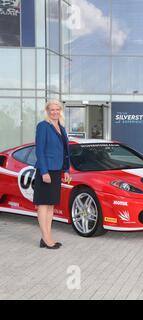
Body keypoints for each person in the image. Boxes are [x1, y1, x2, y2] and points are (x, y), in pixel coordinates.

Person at [34, 100, 71, 249]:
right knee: (43, 205)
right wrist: (44, 171)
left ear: (60, 111)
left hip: (56, 171)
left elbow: (65, 152)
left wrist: (66, 170)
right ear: (47, 111)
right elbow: (39, 150)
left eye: (57, 109)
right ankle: (46, 238)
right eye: (51, 109)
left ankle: (47, 237)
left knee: (50, 205)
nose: (54, 112)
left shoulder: (61, 128)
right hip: (46, 171)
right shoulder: (43, 126)